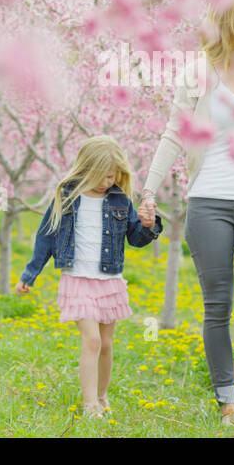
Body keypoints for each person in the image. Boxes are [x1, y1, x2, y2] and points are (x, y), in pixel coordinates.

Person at [138, 0, 234, 426]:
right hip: (209, 200)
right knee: (217, 306)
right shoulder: (199, 72)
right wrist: (148, 191)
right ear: (225, 20)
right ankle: (225, 397)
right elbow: (174, 133)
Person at [15, 135, 162, 418]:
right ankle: (89, 403)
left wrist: (149, 225)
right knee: (92, 340)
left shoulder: (120, 199)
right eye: (102, 175)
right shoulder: (67, 196)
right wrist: (30, 274)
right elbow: (46, 235)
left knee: (106, 344)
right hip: (77, 278)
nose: (107, 181)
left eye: (113, 175)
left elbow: (136, 238)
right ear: (86, 169)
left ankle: (102, 397)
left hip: (109, 281)